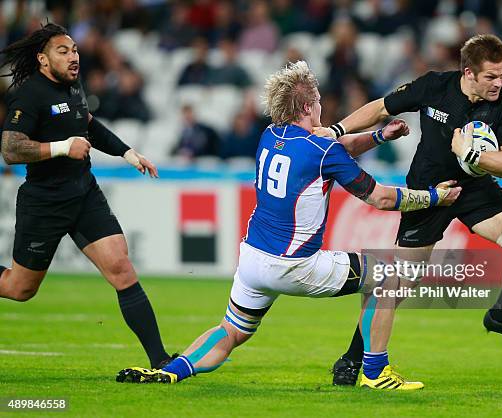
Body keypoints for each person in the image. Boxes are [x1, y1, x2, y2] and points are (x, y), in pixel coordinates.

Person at [116, 60, 461, 389]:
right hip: (295, 263)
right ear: (309, 106)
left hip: (252, 260)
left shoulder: (270, 134)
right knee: (390, 276)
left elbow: (334, 146)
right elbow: (380, 198)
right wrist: (433, 197)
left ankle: (172, 372)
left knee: (232, 330)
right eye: (320, 102)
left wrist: (379, 136)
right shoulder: (322, 151)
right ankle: (375, 371)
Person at [315, 34, 502, 386]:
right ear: (468, 73)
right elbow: (380, 108)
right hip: (428, 193)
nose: (499, 83)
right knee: (396, 286)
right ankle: (352, 358)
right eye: (490, 76)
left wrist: (473, 157)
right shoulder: (434, 86)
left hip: (476, 190)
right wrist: (336, 130)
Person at [0, 23, 173, 370]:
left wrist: (128, 153)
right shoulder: (29, 94)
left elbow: (89, 125)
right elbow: (11, 149)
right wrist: (64, 147)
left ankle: (161, 361)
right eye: (63, 51)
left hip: (84, 194)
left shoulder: (74, 87)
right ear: (42, 59)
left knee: (122, 270)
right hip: (44, 201)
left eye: (75, 49)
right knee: (20, 289)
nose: (73, 56)